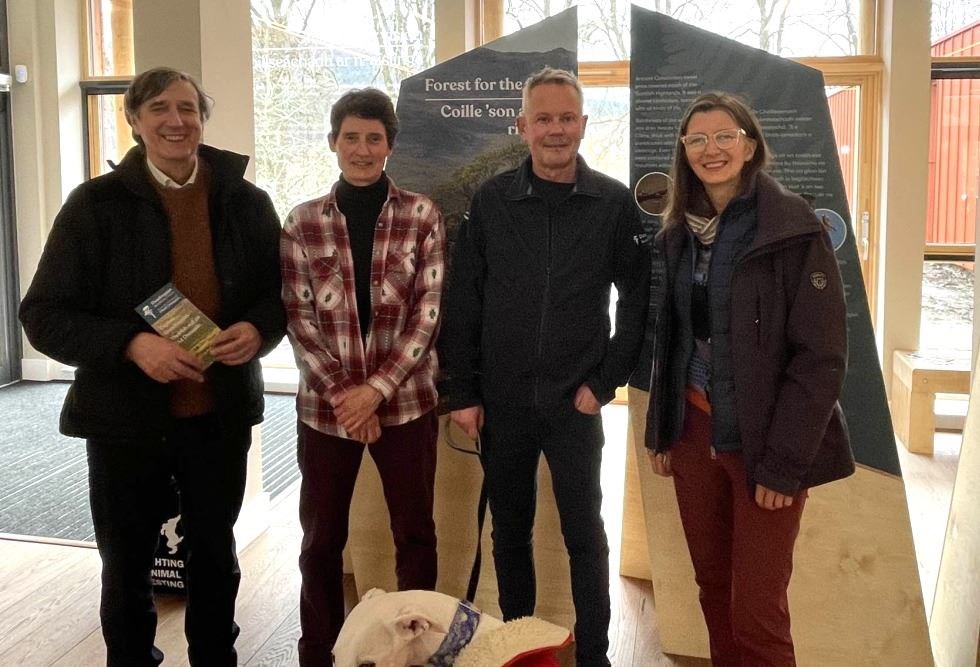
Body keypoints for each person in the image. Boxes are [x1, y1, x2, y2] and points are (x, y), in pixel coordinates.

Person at [19, 67, 285, 665]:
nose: (176, 120)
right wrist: (132, 346)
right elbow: (42, 313)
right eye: (160, 108)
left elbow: (278, 296)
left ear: (202, 119)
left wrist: (258, 329)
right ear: (134, 121)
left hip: (218, 415)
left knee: (215, 554)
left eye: (188, 107)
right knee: (127, 559)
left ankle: (216, 657)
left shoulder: (246, 201)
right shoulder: (94, 206)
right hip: (124, 420)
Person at [441, 67, 650, 666]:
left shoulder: (613, 203)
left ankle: (595, 657)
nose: (555, 130)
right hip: (501, 403)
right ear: (522, 126)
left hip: (574, 403)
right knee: (510, 532)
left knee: (585, 534)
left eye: (566, 118)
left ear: (583, 125)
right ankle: (522, 646)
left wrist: (603, 382)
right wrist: (463, 391)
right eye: (543, 119)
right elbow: (465, 299)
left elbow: (636, 301)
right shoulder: (492, 200)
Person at [644, 92, 855, 665]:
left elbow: (821, 358)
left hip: (765, 447)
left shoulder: (792, 229)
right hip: (693, 433)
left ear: (750, 145)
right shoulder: (677, 236)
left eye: (724, 137)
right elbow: (674, 340)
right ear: (683, 152)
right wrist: (662, 431)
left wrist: (785, 465)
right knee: (714, 591)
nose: (711, 149)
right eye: (697, 140)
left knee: (757, 611)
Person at [280, 88, 444, 665]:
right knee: (320, 542)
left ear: (390, 146)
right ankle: (317, 652)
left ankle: (416, 651)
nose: (362, 148)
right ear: (333, 143)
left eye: (374, 138)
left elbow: (428, 316)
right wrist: (347, 398)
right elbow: (300, 321)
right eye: (351, 137)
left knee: (415, 537)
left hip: (407, 406)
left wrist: (374, 392)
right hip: (325, 413)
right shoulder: (302, 222)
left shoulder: (422, 215)